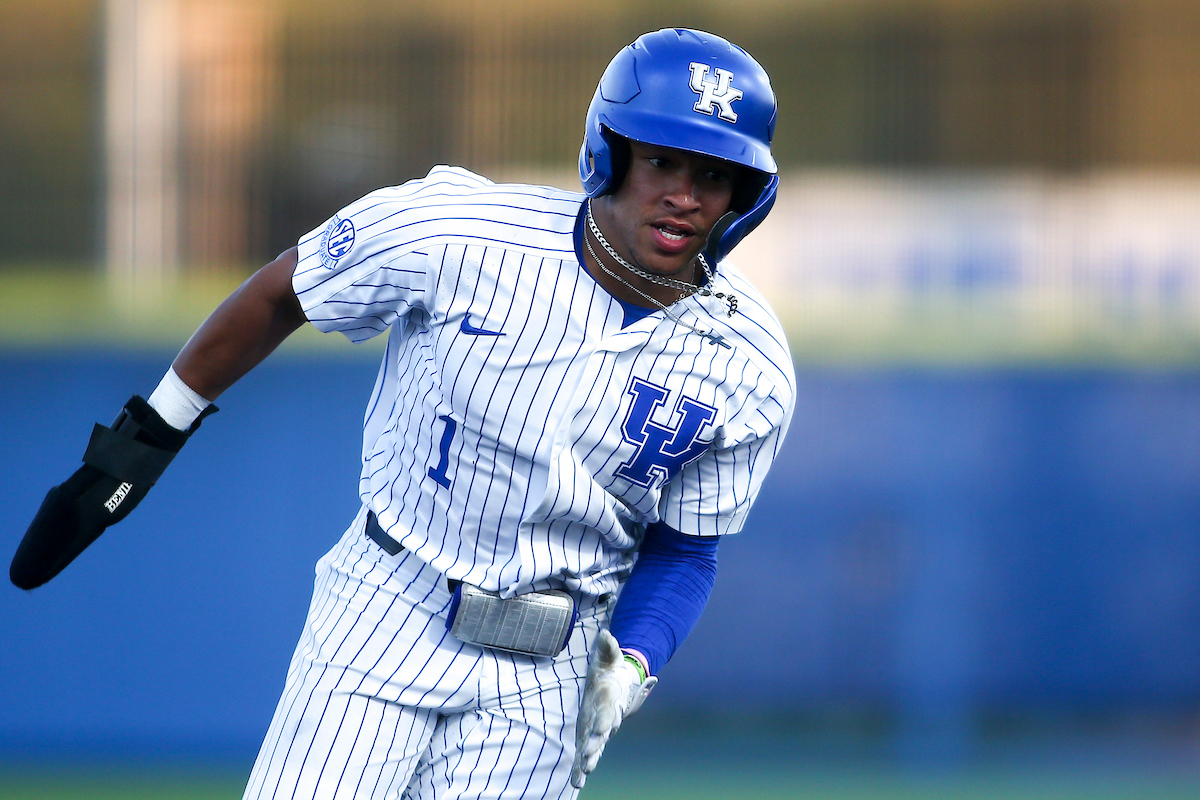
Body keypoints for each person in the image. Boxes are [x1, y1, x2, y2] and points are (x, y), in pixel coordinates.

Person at [12, 27, 794, 799]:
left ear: (744, 196)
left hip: (552, 667)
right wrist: (151, 434)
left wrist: (631, 663)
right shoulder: (459, 232)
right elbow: (286, 290)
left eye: (715, 176)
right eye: (661, 159)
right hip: (391, 603)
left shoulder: (750, 361)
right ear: (610, 150)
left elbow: (687, 552)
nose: (685, 195)